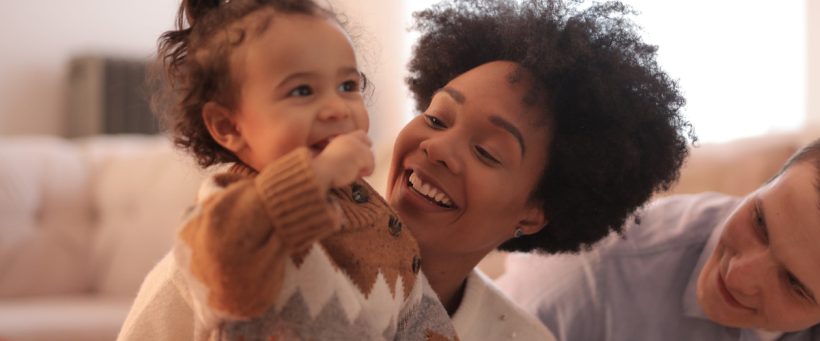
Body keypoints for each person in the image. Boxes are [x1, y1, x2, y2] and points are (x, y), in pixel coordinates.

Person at [119, 0, 693, 339]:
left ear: (536, 209)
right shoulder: (254, 232)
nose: (438, 149)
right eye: (437, 118)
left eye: (489, 152)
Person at [119, 0, 456, 340]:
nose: (338, 108)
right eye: (302, 91)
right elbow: (224, 268)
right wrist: (317, 174)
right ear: (228, 126)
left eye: (348, 86)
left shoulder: (380, 227)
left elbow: (417, 319)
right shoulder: (229, 209)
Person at [498, 130, 820, 340]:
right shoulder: (581, 280)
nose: (738, 276)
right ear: (764, 183)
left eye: (795, 284)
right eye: (760, 221)